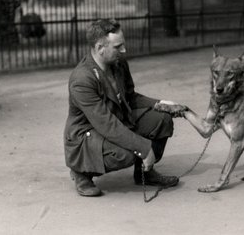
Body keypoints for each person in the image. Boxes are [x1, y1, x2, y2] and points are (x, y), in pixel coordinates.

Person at [64, 18, 180, 197]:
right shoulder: (82, 79)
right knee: (126, 154)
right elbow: (106, 124)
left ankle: (144, 174)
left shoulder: (118, 64)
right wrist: (144, 148)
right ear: (100, 48)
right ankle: (82, 173)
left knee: (162, 119)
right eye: (118, 47)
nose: (124, 50)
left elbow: (130, 97)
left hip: (116, 120)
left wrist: (160, 104)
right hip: (88, 133)